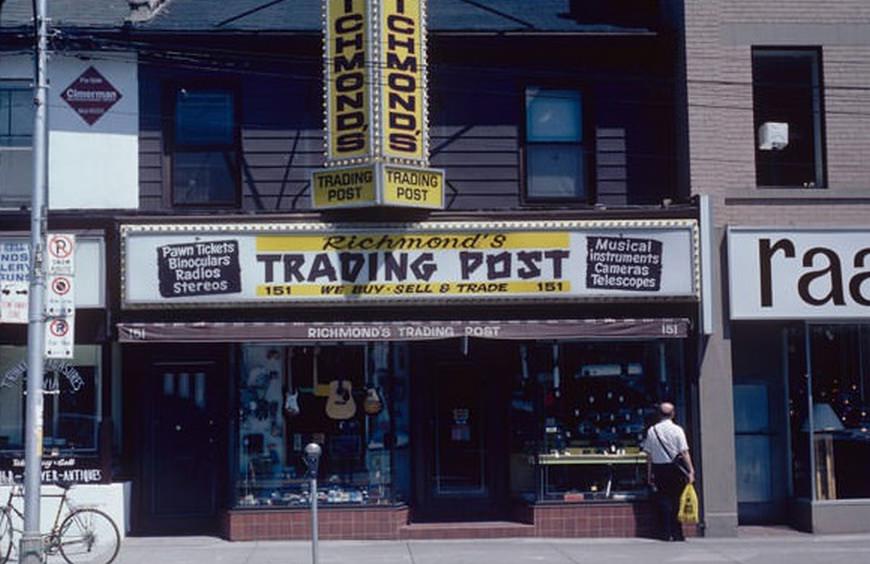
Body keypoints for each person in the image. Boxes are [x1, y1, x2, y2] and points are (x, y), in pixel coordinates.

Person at [641, 402, 695, 541]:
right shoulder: (678, 430)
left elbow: (649, 455)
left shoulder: (652, 431)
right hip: (675, 469)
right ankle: (677, 533)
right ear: (673, 414)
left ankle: (665, 533)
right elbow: (684, 452)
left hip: (659, 468)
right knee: (676, 500)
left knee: (663, 500)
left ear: (659, 414)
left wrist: (649, 474)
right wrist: (691, 470)